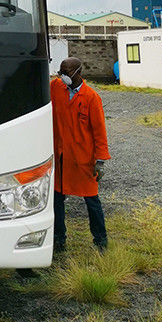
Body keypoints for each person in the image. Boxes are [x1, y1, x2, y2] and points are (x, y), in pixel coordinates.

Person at [50, 57, 111, 253]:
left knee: (91, 200)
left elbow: (99, 131)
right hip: (60, 158)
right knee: (57, 199)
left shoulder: (91, 97)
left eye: (66, 72)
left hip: (83, 159)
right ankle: (59, 239)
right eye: (61, 72)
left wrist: (100, 160)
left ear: (78, 72)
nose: (63, 76)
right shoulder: (55, 89)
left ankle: (100, 240)